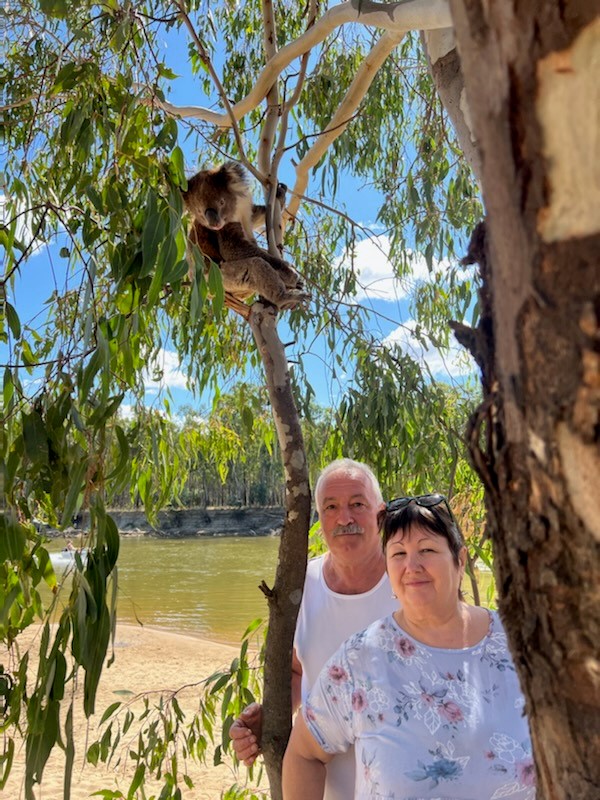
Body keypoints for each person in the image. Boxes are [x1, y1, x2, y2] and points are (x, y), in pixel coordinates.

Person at [282, 494, 536, 799]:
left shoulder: (520, 645)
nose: (411, 565)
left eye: (427, 550)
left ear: (461, 560)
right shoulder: (360, 659)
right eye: (398, 553)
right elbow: (303, 753)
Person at [230, 459, 398, 799]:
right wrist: (269, 719)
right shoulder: (300, 586)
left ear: (380, 514)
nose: (344, 518)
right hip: (321, 787)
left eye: (357, 505)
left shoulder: (410, 581)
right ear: (318, 520)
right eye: (331, 507)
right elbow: (297, 671)